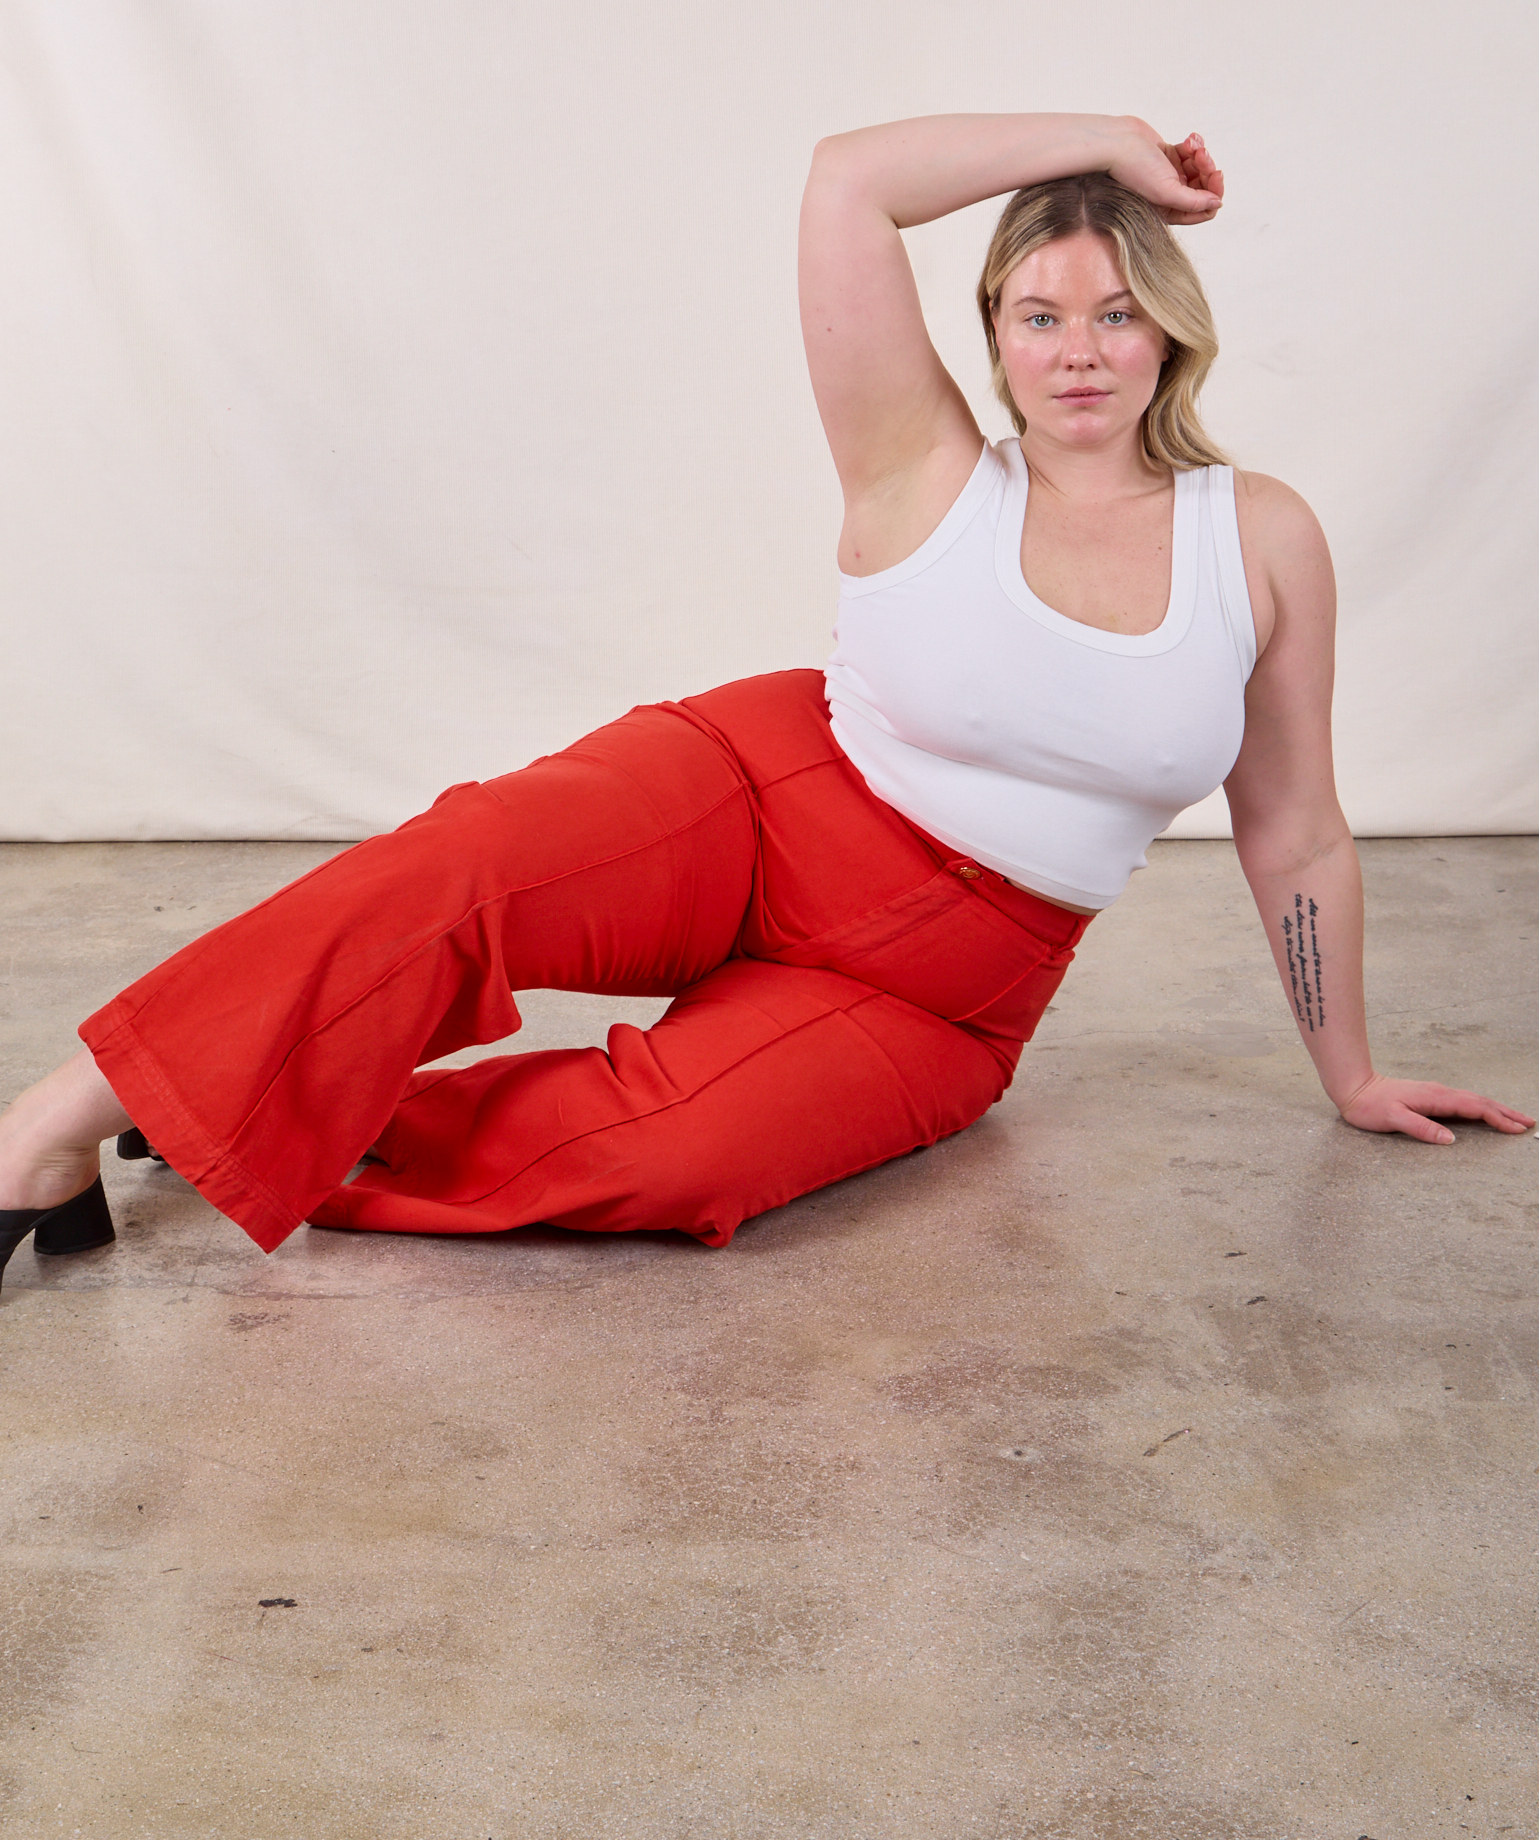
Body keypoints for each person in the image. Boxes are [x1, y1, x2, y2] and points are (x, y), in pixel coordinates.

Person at [1, 112, 1530, 1287]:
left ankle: (223, 1107)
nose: (1078, 350)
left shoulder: (1254, 534)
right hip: (764, 795)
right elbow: (846, 181)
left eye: (1116, 312)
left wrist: (1349, 1071)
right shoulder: (919, 458)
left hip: (951, 986)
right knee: (453, 874)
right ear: (990, 334)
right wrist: (1100, 148)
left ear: (1172, 330)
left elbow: (1295, 828)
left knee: (671, 1161)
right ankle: (47, 1135)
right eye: (1039, 313)